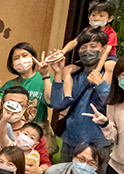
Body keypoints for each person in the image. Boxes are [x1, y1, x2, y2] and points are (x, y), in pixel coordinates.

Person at [47, 27, 112, 161]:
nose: (87, 51)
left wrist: (100, 84)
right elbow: (56, 104)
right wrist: (58, 73)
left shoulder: (109, 76)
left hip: (97, 144)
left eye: (93, 46)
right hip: (70, 142)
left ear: (103, 50)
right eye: (83, 47)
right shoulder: (74, 75)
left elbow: (111, 104)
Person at [1, 42, 56, 125]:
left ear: (33, 59)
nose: (21, 60)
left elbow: (51, 101)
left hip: (37, 129)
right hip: (13, 129)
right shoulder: (9, 85)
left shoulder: (45, 79)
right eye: (16, 58)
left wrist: (45, 75)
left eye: (24, 55)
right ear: (12, 64)